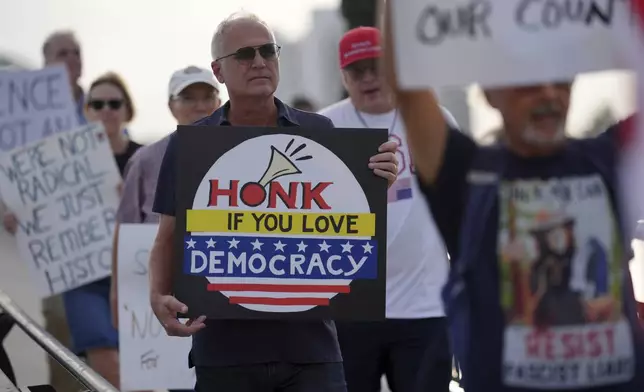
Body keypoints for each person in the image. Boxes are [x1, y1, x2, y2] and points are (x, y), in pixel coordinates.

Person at [379, 2, 644, 392]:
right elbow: (407, 75)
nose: (549, 95)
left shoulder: (613, 160)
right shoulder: (464, 173)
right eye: (529, 84)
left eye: (561, 82)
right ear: (490, 94)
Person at [148, 11, 398, 392]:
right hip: (223, 352)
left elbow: (356, 224)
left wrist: (381, 178)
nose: (260, 62)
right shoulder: (188, 144)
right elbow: (167, 236)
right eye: (245, 55)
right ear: (218, 71)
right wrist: (157, 296)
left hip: (312, 351)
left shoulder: (321, 131)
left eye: (268, 51)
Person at [318, 26, 456, 392]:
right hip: (350, 308)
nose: (368, 78)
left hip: (425, 306)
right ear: (344, 77)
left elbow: (460, 207)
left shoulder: (433, 120)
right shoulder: (324, 127)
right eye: (356, 71)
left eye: (375, 67)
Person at [109, 65, 221, 390]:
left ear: (219, 100)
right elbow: (126, 231)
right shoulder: (146, 161)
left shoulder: (240, 151)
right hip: (170, 296)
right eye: (188, 98)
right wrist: (119, 299)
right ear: (172, 105)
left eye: (207, 96)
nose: (199, 105)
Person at [2, 29, 87, 392]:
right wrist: (8, 206)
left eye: (76, 51)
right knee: (60, 323)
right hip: (54, 240)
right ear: (46, 61)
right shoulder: (24, 111)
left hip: (101, 234)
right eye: (61, 53)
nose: (70, 58)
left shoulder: (99, 103)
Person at [61, 72, 142, 387]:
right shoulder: (64, 161)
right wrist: (17, 215)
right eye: (97, 103)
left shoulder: (146, 157)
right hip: (84, 277)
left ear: (127, 109)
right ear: (86, 111)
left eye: (114, 103)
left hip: (136, 275)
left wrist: (135, 199)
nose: (106, 109)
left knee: (142, 369)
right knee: (106, 364)